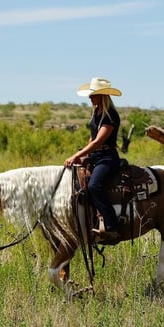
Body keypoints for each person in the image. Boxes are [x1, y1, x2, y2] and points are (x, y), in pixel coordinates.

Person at [65, 77, 122, 243]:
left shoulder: (110, 115)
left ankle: (111, 225)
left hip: (108, 158)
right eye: (90, 95)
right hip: (96, 156)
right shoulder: (96, 112)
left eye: (94, 95)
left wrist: (77, 156)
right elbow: (92, 138)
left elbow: (99, 141)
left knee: (94, 186)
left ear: (103, 96)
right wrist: (83, 154)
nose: (90, 98)